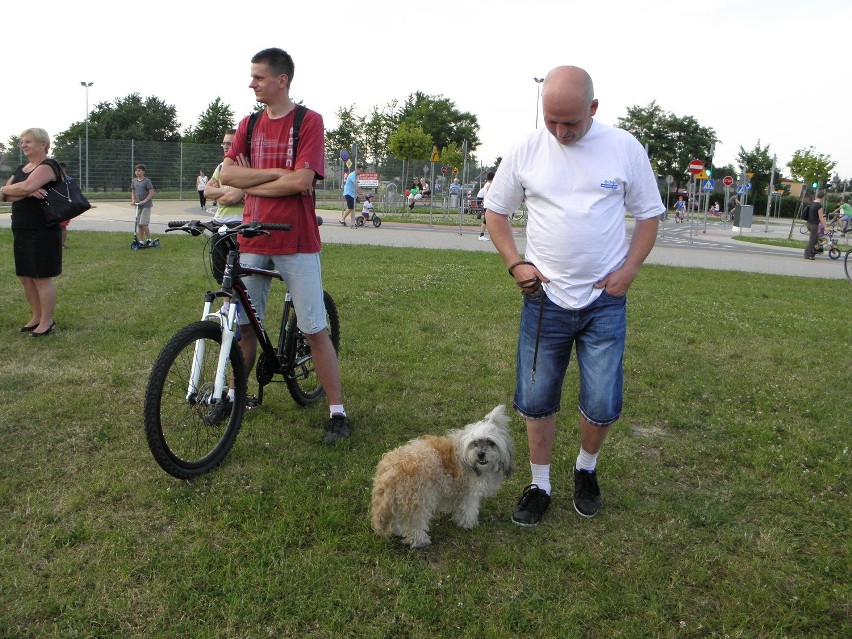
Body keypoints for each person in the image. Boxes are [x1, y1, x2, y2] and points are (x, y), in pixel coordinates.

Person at [483, 66, 663, 526]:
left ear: (594, 110)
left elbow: (648, 216)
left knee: (602, 402)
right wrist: (514, 262)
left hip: (605, 301)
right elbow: (496, 212)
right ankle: (539, 483)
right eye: (552, 121)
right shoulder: (526, 148)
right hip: (545, 301)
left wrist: (630, 271)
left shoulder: (624, 148)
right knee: (537, 395)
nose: (561, 133)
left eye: (572, 124)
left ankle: (586, 469)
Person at [219, 47, 351, 445]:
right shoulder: (248, 123)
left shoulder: (308, 121)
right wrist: (278, 173)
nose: (251, 83)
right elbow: (227, 174)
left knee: (314, 329)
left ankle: (337, 413)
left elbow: (300, 183)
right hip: (252, 236)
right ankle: (233, 396)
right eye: (252, 77)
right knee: (243, 328)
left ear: (282, 80)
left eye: (259, 77)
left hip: (296, 240)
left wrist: (252, 179)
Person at [0, 128, 63, 337]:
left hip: (42, 229)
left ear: (43, 144)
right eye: (21, 142)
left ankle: (47, 322)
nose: (23, 145)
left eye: (28, 141)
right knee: (25, 276)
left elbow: (23, 187)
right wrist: (22, 191)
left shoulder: (49, 166)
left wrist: (21, 189)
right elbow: (4, 194)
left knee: (41, 277)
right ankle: (36, 317)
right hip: (22, 228)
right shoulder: (21, 168)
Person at [204, 130, 246, 281]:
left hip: (238, 223)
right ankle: (227, 304)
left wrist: (218, 194)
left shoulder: (245, 167)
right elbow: (207, 192)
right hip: (219, 223)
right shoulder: (221, 167)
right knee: (219, 270)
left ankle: (237, 303)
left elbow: (233, 198)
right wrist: (225, 192)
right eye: (224, 143)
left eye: (230, 143)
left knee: (236, 270)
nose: (225, 146)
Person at [130, 164, 155, 247]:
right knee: (139, 224)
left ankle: (149, 239)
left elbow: (151, 192)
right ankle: (141, 240)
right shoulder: (134, 181)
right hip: (138, 205)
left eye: (139, 170)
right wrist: (133, 201)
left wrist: (144, 201)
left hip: (146, 205)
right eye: (136, 170)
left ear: (143, 171)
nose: (137, 172)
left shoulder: (147, 181)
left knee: (143, 223)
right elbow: (133, 192)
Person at [803, 190, 828, 260]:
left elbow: (813, 213)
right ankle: (806, 254)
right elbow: (821, 218)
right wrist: (825, 227)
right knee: (812, 241)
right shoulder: (819, 205)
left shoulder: (812, 203)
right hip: (814, 225)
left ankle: (813, 252)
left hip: (808, 224)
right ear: (823, 198)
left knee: (816, 240)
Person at [476, 171, 495, 241]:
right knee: (486, 221)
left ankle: (482, 235)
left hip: (488, 205)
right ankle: (481, 235)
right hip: (489, 205)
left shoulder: (486, 184)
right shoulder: (489, 185)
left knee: (487, 221)